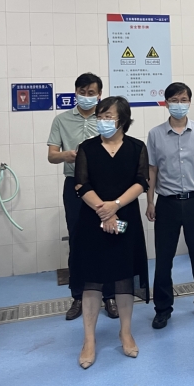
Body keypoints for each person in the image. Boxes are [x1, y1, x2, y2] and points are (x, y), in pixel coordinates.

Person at [72, 97, 150, 369]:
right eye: (100, 116)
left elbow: (142, 182)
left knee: (124, 279)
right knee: (92, 281)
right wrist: (104, 211)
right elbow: (81, 185)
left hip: (126, 217)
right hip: (92, 219)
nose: (103, 121)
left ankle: (125, 332)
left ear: (122, 120)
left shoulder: (137, 147)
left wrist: (115, 206)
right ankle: (89, 340)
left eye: (108, 116)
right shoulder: (87, 148)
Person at [146, 82, 194, 329]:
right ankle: (162, 309)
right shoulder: (155, 134)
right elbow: (152, 170)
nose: (179, 104)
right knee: (163, 259)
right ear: (166, 103)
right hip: (166, 203)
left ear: (189, 101)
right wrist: (150, 201)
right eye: (174, 100)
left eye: (183, 99)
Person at [48, 73, 118, 321]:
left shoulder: (106, 119)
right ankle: (77, 296)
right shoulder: (62, 120)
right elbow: (51, 155)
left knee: (108, 238)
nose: (87, 97)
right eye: (82, 92)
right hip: (75, 186)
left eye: (91, 93)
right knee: (77, 240)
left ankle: (109, 296)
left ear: (100, 94)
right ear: (75, 92)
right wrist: (67, 155)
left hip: (105, 186)